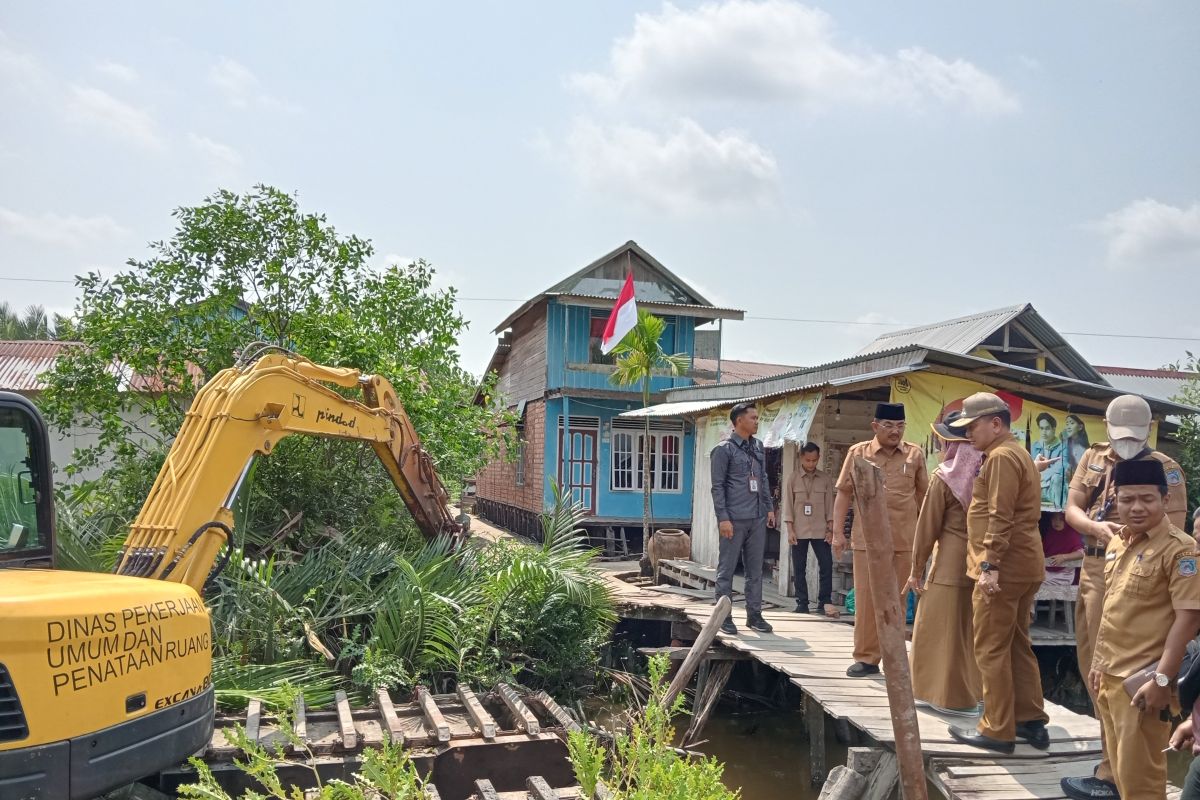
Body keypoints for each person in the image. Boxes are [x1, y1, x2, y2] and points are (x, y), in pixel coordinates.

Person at [1061, 394, 1188, 799]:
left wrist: (1165, 675)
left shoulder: (1165, 470)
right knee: (1098, 668)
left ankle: (1122, 773)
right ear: (1105, 425)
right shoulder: (1094, 457)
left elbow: (1176, 534)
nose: (1127, 442)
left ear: (1150, 428)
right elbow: (1072, 508)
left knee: (1135, 668)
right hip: (1102, 563)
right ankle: (1109, 764)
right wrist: (1098, 531)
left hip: (1146, 571)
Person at [944, 392, 1050, 754]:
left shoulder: (1002, 457)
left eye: (972, 426)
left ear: (995, 423)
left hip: (1002, 569)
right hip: (1024, 564)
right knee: (1018, 643)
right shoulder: (1016, 454)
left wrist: (988, 565)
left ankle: (997, 729)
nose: (968, 434)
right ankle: (1030, 721)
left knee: (990, 648)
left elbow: (999, 516)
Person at [832, 401, 927, 677]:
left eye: (900, 426)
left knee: (897, 600)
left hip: (905, 539)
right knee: (866, 598)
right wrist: (837, 533)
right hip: (867, 540)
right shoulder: (858, 453)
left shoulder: (915, 455)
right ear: (875, 426)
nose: (895, 431)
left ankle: (894, 657)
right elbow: (844, 494)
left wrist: (929, 537)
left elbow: (925, 499)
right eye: (888, 426)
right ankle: (866, 658)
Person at [905, 411, 983, 715]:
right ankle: (973, 695)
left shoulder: (945, 477)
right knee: (969, 630)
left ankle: (946, 697)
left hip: (949, 562)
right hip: (982, 563)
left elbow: (927, 527)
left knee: (936, 627)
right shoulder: (986, 472)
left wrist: (915, 569)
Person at [710, 402, 776, 636]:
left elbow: (764, 478)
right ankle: (723, 616)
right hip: (734, 519)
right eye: (753, 418)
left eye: (758, 418)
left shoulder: (758, 446)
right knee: (726, 569)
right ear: (739, 421)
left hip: (756, 517)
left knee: (755, 570)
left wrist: (768, 508)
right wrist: (723, 518)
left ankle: (754, 615)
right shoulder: (723, 449)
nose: (757, 421)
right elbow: (717, 487)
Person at [782, 442, 836, 616]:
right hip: (799, 530)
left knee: (826, 565)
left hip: (821, 530)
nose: (811, 464)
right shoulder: (793, 478)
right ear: (801, 458)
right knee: (799, 567)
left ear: (818, 458)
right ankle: (802, 602)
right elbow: (788, 506)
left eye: (814, 460)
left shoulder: (825, 479)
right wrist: (790, 530)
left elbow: (830, 506)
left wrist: (830, 529)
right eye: (807, 460)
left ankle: (824, 601)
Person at [1031, 412, 1066, 508]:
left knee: (1057, 478)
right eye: (1041, 428)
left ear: (1054, 429)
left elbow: (1060, 469)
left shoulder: (1063, 447)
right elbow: (1030, 468)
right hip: (1038, 484)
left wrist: (1040, 475)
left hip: (1052, 486)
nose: (1044, 432)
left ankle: (1057, 511)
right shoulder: (1035, 446)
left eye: (1047, 428)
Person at [1039, 512, 1084, 588]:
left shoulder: (1072, 534)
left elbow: (1081, 553)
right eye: (1054, 518)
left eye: (1061, 519)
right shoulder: (1047, 532)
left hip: (1064, 574)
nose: (1057, 522)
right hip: (1045, 571)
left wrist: (1063, 557)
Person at [1062, 413, 1090, 479]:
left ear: (1080, 427)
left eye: (1072, 423)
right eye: (1067, 424)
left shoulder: (1084, 449)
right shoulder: (1064, 443)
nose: (1068, 427)